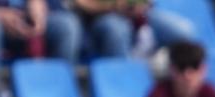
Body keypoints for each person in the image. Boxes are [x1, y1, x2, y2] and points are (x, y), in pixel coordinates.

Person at [61, 0, 196, 58]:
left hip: (140, 15)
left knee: (185, 31)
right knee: (117, 30)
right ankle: (126, 80)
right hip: (99, 18)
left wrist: (138, 4)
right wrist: (114, 5)